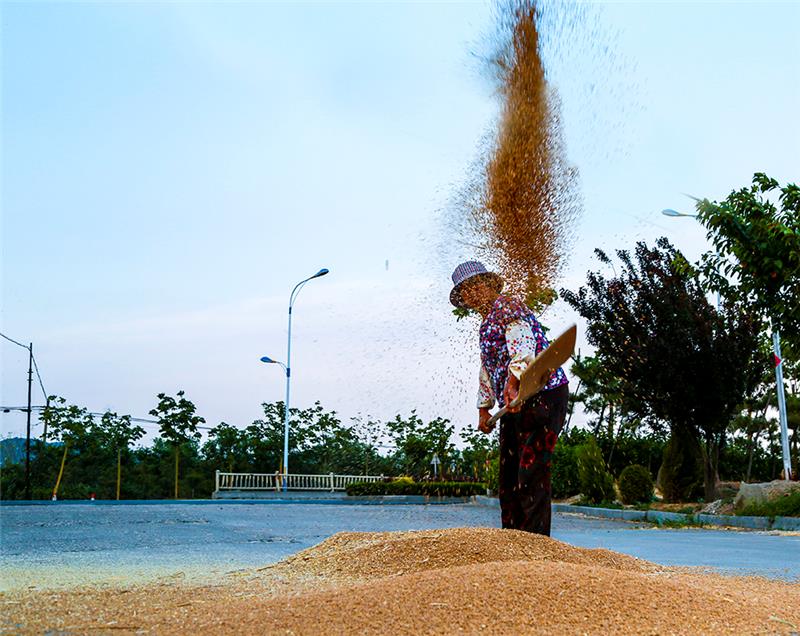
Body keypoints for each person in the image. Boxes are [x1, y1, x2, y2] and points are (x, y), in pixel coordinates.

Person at [450, 261, 569, 536]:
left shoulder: (508, 307)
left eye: (477, 285)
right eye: (467, 291)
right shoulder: (485, 325)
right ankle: (512, 538)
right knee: (510, 474)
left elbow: (523, 345)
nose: (472, 293)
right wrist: (484, 408)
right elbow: (488, 367)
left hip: (543, 394)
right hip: (513, 401)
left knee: (531, 471)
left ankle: (534, 542)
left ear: (490, 285)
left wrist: (515, 380)